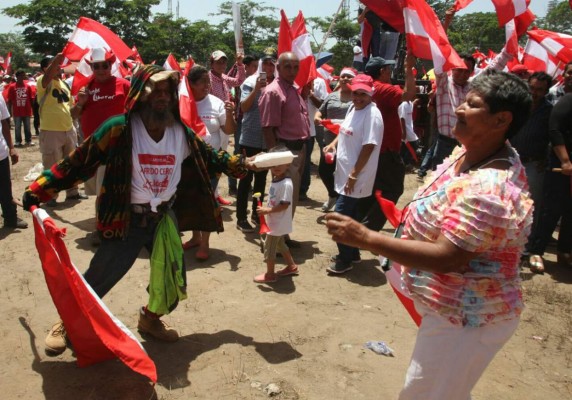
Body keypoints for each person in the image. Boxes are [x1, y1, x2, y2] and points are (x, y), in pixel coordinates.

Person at [325, 69, 533, 399]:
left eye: (473, 105)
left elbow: (450, 256)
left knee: (427, 393)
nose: (460, 109)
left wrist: (367, 238)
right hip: (449, 308)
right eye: (464, 101)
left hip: (469, 319)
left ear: (501, 120)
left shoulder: (491, 189)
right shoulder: (470, 152)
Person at [22, 64, 253, 355]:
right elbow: (78, 162)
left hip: (163, 219)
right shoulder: (118, 129)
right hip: (126, 219)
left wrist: (244, 165)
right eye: (154, 90)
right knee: (100, 275)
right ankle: (67, 323)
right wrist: (39, 189)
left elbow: (211, 157)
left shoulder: (180, 132)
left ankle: (150, 319)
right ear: (139, 94)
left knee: (172, 276)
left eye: (167, 91)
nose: (161, 96)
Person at [70, 48, 131, 245]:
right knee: (100, 192)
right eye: (96, 66)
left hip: (121, 147)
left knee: (123, 189)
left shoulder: (125, 85)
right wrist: (80, 103)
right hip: (95, 149)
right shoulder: (85, 87)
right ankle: (101, 227)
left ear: (111, 65)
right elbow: (73, 115)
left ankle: (124, 226)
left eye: (105, 65)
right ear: (92, 67)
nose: (101, 69)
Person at [323, 74, 383, 274]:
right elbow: (343, 131)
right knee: (353, 214)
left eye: (362, 94)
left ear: (370, 94)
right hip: (345, 173)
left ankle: (345, 258)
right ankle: (353, 254)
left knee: (339, 216)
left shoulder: (372, 114)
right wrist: (332, 145)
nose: (358, 97)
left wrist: (354, 174)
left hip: (357, 176)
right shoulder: (352, 108)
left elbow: (369, 146)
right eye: (355, 93)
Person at [355, 53, 416, 232]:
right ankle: (368, 228)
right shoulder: (383, 89)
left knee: (371, 190)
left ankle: (360, 227)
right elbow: (409, 94)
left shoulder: (365, 89)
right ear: (382, 71)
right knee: (393, 189)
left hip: (367, 149)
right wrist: (409, 69)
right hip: (386, 150)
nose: (390, 73)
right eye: (388, 69)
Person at [182, 65, 236, 260]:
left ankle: (205, 243)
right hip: (187, 160)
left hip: (210, 161)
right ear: (192, 84)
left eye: (209, 82)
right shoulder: (182, 101)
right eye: (203, 82)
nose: (208, 85)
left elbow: (229, 130)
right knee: (191, 200)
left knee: (207, 200)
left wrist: (230, 114)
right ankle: (195, 237)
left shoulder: (216, 103)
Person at [259, 51, 310, 244]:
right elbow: (267, 128)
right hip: (285, 152)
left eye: (296, 67)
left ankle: (282, 237)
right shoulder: (273, 91)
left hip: (298, 150)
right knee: (282, 198)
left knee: (290, 197)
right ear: (278, 68)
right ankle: (273, 241)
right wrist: (277, 159)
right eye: (287, 67)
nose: (292, 71)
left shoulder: (293, 88)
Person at [509, 72, 552, 272]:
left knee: (531, 208)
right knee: (507, 205)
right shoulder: (517, 106)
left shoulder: (549, 111)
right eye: (532, 88)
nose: (534, 93)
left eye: (539, 90)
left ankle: (525, 250)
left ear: (546, 91)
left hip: (534, 165)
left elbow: (554, 136)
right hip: (510, 162)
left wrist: (547, 159)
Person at [524, 92, 572, 273]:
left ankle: (564, 250)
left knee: (571, 210)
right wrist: (566, 161)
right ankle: (536, 251)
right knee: (551, 209)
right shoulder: (568, 100)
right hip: (562, 164)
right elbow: (555, 129)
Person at [36, 54, 87, 206]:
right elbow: (48, 76)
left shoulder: (65, 85)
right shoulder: (43, 81)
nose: (59, 66)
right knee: (51, 165)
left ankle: (73, 192)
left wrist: (80, 105)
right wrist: (58, 58)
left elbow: (72, 111)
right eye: (54, 64)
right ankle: (50, 196)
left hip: (68, 129)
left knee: (71, 163)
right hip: (51, 131)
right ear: (46, 68)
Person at [235, 54, 276, 232]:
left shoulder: (277, 84)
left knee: (261, 181)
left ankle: (256, 214)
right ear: (260, 65)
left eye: (271, 65)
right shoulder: (250, 81)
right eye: (265, 64)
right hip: (250, 138)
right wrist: (257, 89)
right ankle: (241, 218)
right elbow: (243, 107)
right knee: (245, 179)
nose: (268, 68)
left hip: (267, 139)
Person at [253, 148, 298, 283]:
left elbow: (284, 205)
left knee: (269, 248)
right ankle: (291, 266)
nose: (276, 167)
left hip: (277, 223)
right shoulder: (277, 179)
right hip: (276, 221)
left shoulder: (285, 184)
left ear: (288, 164)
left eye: (280, 163)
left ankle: (270, 275)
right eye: (273, 164)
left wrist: (267, 210)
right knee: (280, 245)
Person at [314, 67, 356, 212]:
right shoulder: (332, 96)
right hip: (328, 142)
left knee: (343, 174)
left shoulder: (357, 98)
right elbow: (320, 111)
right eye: (343, 76)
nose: (345, 79)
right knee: (324, 171)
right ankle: (333, 195)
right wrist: (318, 118)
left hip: (348, 143)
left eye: (349, 77)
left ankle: (342, 204)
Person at [228, 54, 259, 196]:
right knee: (238, 154)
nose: (256, 69)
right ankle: (233, 186)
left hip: (249, 122)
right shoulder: (243, 80)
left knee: (249, 155)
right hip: (241, 120)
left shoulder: (256, 81)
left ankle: (246, 184)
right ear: (246, 67)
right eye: (254, 66)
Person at [0, 94, 27, 229]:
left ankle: (10, 218)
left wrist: (11, 148)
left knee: (5, 188)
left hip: (1, 153)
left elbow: (4, 123)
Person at [300, 76, 328, 201]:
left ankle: (302, 190)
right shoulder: (292, 80)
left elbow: (323, 105)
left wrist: (310, 95)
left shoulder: (318, 82)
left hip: (309, 130)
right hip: (292, 130)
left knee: (305, 162)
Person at [5, 70, 36, 147]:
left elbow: (31, 99)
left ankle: (28, 141)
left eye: (24, 75)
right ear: (17, 76)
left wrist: (33, 110)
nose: (23, 77)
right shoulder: (12, 87)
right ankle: (18, 141)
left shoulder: (28, 86)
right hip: (17, 111)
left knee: (27, 127)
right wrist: (9, 112)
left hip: (26, 110)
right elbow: (9, 101)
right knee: (17, 127)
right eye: (21, 75)